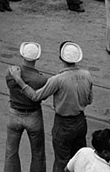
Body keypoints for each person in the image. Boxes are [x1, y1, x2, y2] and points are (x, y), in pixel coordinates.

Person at [9, 42, 93, 172]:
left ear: (61, 58)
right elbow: (89, 100)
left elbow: (36, 96)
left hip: (63, 124)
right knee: (79, 160)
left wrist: (19, 80)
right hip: (81, 122)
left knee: (61, 160)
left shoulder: (57, 80)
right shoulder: (87, 75)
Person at [4, 42, 48, 172]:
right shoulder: (41, 80)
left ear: (22, 55)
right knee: (38, 154)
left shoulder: (10, 73)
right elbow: (42, 97)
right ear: (37, 58)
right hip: (33, 116)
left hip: (14, 114)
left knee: (11, 153)